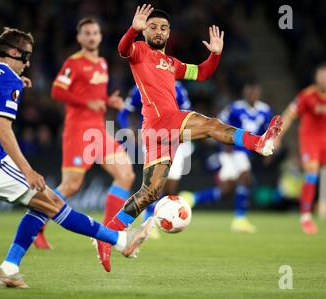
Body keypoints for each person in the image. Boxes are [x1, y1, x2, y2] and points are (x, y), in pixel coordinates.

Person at [0, 27, 152, 288]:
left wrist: (16, 80)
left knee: (44, 204)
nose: (27, 64)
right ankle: (120, 241)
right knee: (55, 204)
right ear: (14, 52)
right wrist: (27, 171)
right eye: (25, 58)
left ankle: (9, 267)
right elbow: (3, 131)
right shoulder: (11, 79)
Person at [96, 4, 283, 272]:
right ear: (145, 30)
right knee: (211, 125)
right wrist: (132, 30)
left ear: (169, 33)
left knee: (150, 192)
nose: (158, 31)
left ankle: (106, 236)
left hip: (156, 131)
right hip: (162, 121)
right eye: (152, 27)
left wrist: (215, 55)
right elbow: (122, 49)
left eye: (163, 28)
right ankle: (259, 143)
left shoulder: (172, 64)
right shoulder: (138, 50)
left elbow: (203, 72)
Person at [42, 17, 135, 251]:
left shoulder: (102, 63)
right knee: (71, 186)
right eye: (87, 33)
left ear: (100, 36)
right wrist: (87, 102)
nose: (92, 36)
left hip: (99, 131)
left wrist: (107, 101)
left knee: (126, 174)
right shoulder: (74, 63)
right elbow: (56, 90)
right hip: (77, 131)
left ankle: (106, 234)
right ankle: (37, 224)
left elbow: (94, 98)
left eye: (95, 33)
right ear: (79, 37)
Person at [180, 82, 273, 233]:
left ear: (258, 93)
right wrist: (225, 142)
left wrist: (269, 147)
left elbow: (266, 131)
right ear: (245, 93)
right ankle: (240, 219)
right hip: (232, 150)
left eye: (254, 92)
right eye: (249, 92)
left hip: (246, 152)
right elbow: (219, 122)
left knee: (226, 190)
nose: (252, 95)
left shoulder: (265, 110)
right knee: (246, 178)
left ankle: (192, 198)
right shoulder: (235, 107)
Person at [117, 81, 194, 238]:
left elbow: (189, 113)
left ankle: (155, 218)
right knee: (154, 186)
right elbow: (122, 114)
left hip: (175, 139)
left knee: (170, 188)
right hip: (153, 140)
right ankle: (146, 223)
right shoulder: (140, 86)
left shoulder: (177, 87)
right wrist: (130, 131)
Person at [277, 63, 326, 234]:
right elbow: (289, 115)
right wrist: (277, 136)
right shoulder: (307, 95)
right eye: (322, 76)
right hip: (310, 139)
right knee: (312, 174)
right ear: (316, 78)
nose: (325, 79)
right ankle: (305, 217)